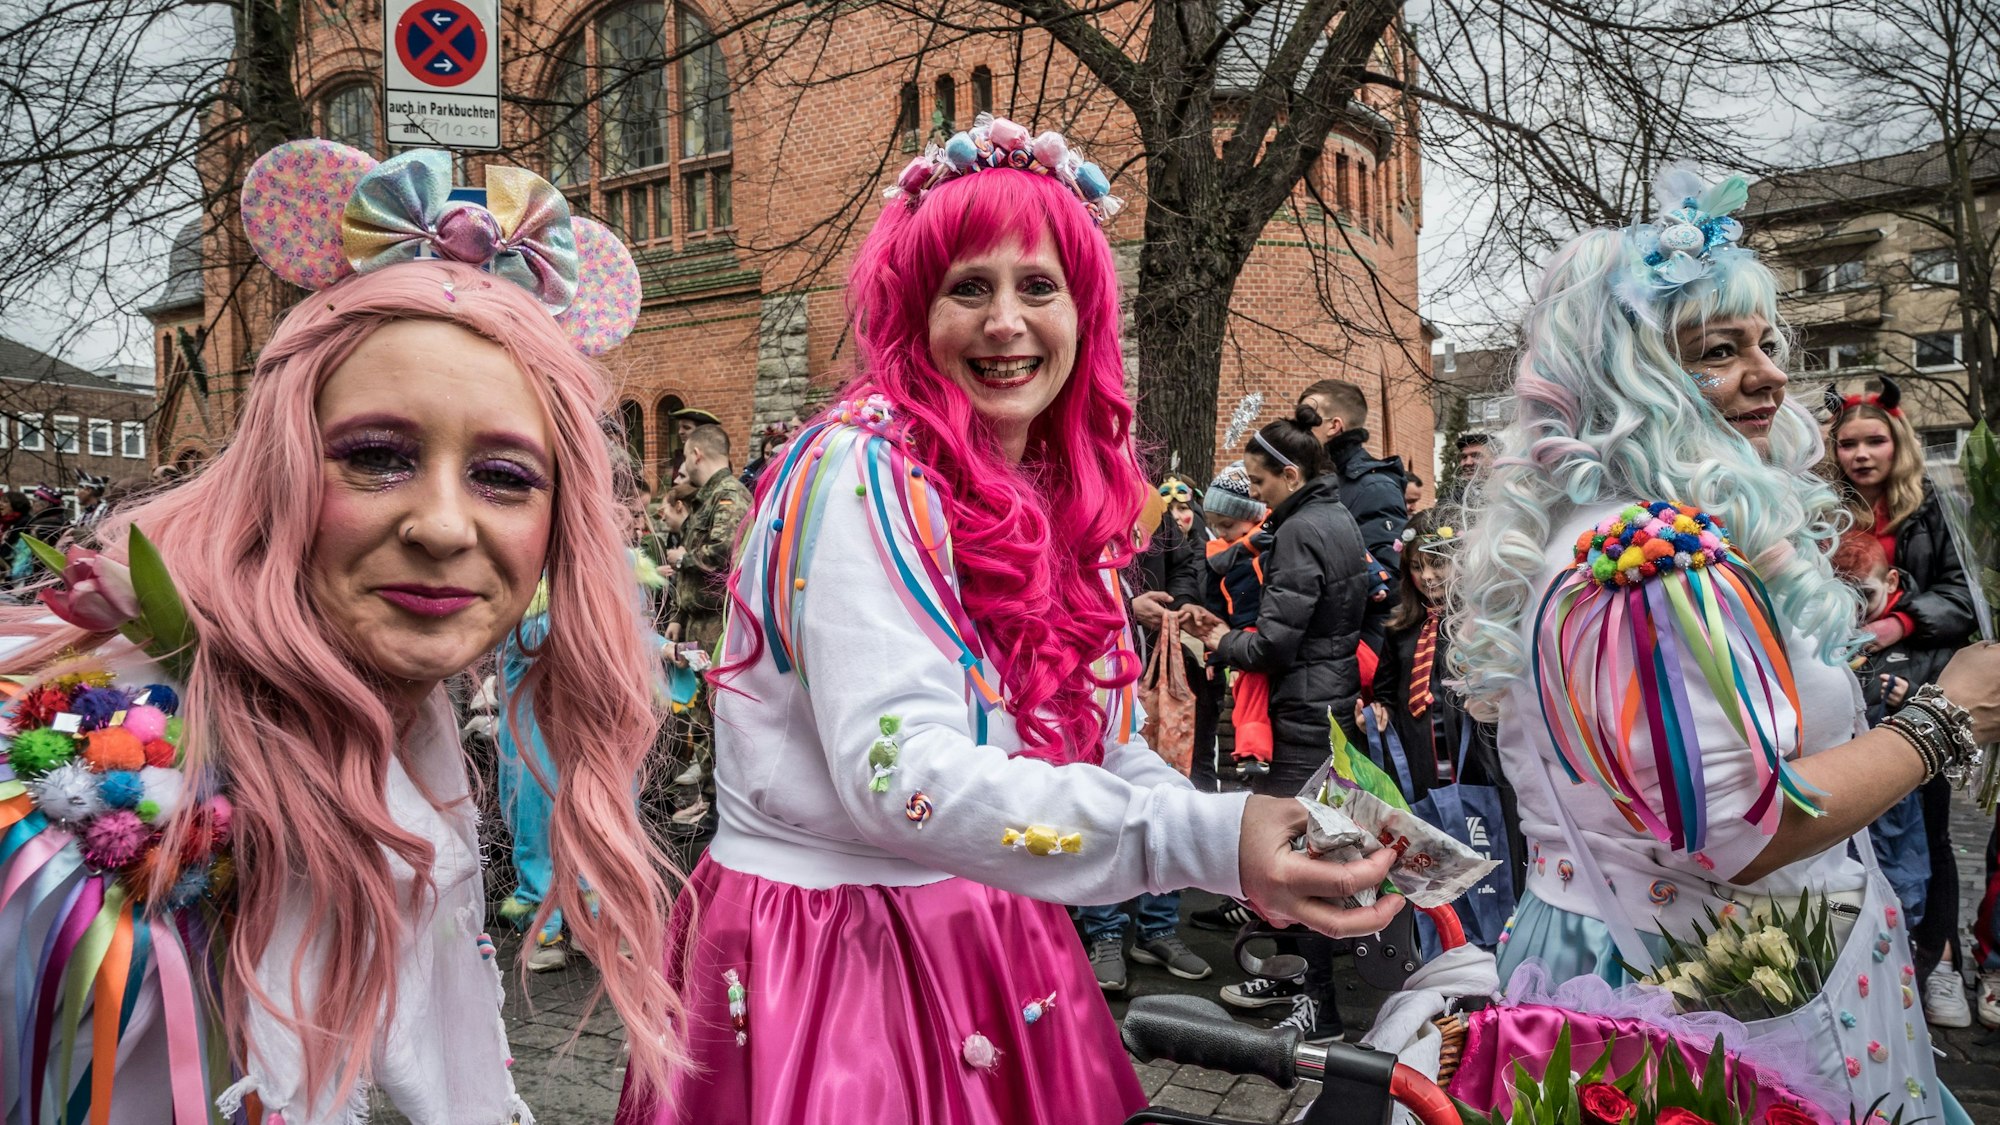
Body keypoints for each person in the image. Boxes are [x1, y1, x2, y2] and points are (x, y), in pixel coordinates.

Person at [615, 114, 1403, 1125]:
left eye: (1038, 288)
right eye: (967, 289)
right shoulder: (860, 468)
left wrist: (1240, 843)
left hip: (989, 913)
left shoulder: (1041, 483)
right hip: (833, 947)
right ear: (913, 309)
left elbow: (1091, 739)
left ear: (1083, 313)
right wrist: (1208, 837)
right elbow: (900, 778)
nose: (1005, 323)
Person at [0, 142, 685, 1120]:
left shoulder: (394, 721)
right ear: (277, 473)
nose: (445, 527)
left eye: (503, 476)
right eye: (375, 457)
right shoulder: (77, 795)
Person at [1448, 168, 2000, 1122]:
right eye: (1719, 351)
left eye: (1766, 342)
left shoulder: (1609, 530)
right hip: (1702, 989)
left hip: (1662, 961)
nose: (1771, 373)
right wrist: (1949, 718)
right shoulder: (1652, 562)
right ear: (1632, 377)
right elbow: (1741, 834)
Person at [1187, 405, 1374, 1043]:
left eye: (1261, 483)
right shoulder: (1337, 514)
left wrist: (1219, 642)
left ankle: (1318, 1007)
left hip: (1301, 707)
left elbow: (1273, 645)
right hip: (1334, 695)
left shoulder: (1298, 531)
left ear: (1289, 476)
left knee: (1300, 853)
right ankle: (1301, 978)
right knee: (1318, 840)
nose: (1258, 497)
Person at [1820, 379, 1979, 1027]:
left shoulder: (1929, 507)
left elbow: (1963, 595)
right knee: (1852, 823)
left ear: (1898, 442)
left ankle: (1940, 960)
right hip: (1843, 683)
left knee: (1929, 830)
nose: (1861, 453)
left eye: (1874, 440)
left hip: (1917, 686)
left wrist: (1900, 622)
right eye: (1848, 442)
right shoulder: (1825, 508)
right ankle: (1861, 957)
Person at [1077, 480, 1213, 994]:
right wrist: (1128, 607)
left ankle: (1156, 929)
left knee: (1165, 792)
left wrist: (1177, 608)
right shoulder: (1073, 508)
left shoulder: (1145, 497)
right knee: (1099, 802)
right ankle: (1105, 932)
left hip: (1152, 680)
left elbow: (1184, 564)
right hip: (1090, 683)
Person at [1367, 505, 1521, 948]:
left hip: (1475, 765)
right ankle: (1439, 942)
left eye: (1437, 562)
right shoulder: (1401, 627)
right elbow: (1385, 685)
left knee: (1485, 848)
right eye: (1416, 566)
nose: (1428, 576)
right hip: (1421, 764)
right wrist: (1378, 707)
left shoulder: (1479, 623)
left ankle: (1491, 934)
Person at [664, 422, 751, 829]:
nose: (685, 464)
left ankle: (720, 809)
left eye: (685, 456)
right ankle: (708, 801)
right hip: (698, 622)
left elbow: (722, 553)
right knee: (700, 714)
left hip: (718, 625)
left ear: (697, 453)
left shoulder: (729, 495)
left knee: (716, 715)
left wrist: (682, 557)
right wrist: (679, 618)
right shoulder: (707, 498)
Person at [1297, 379, 1408, 600]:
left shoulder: (1375, 487)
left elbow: (1388, 580)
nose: (1298, 430)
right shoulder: (1318, 479)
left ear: (1334, 426)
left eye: (1305, 420)